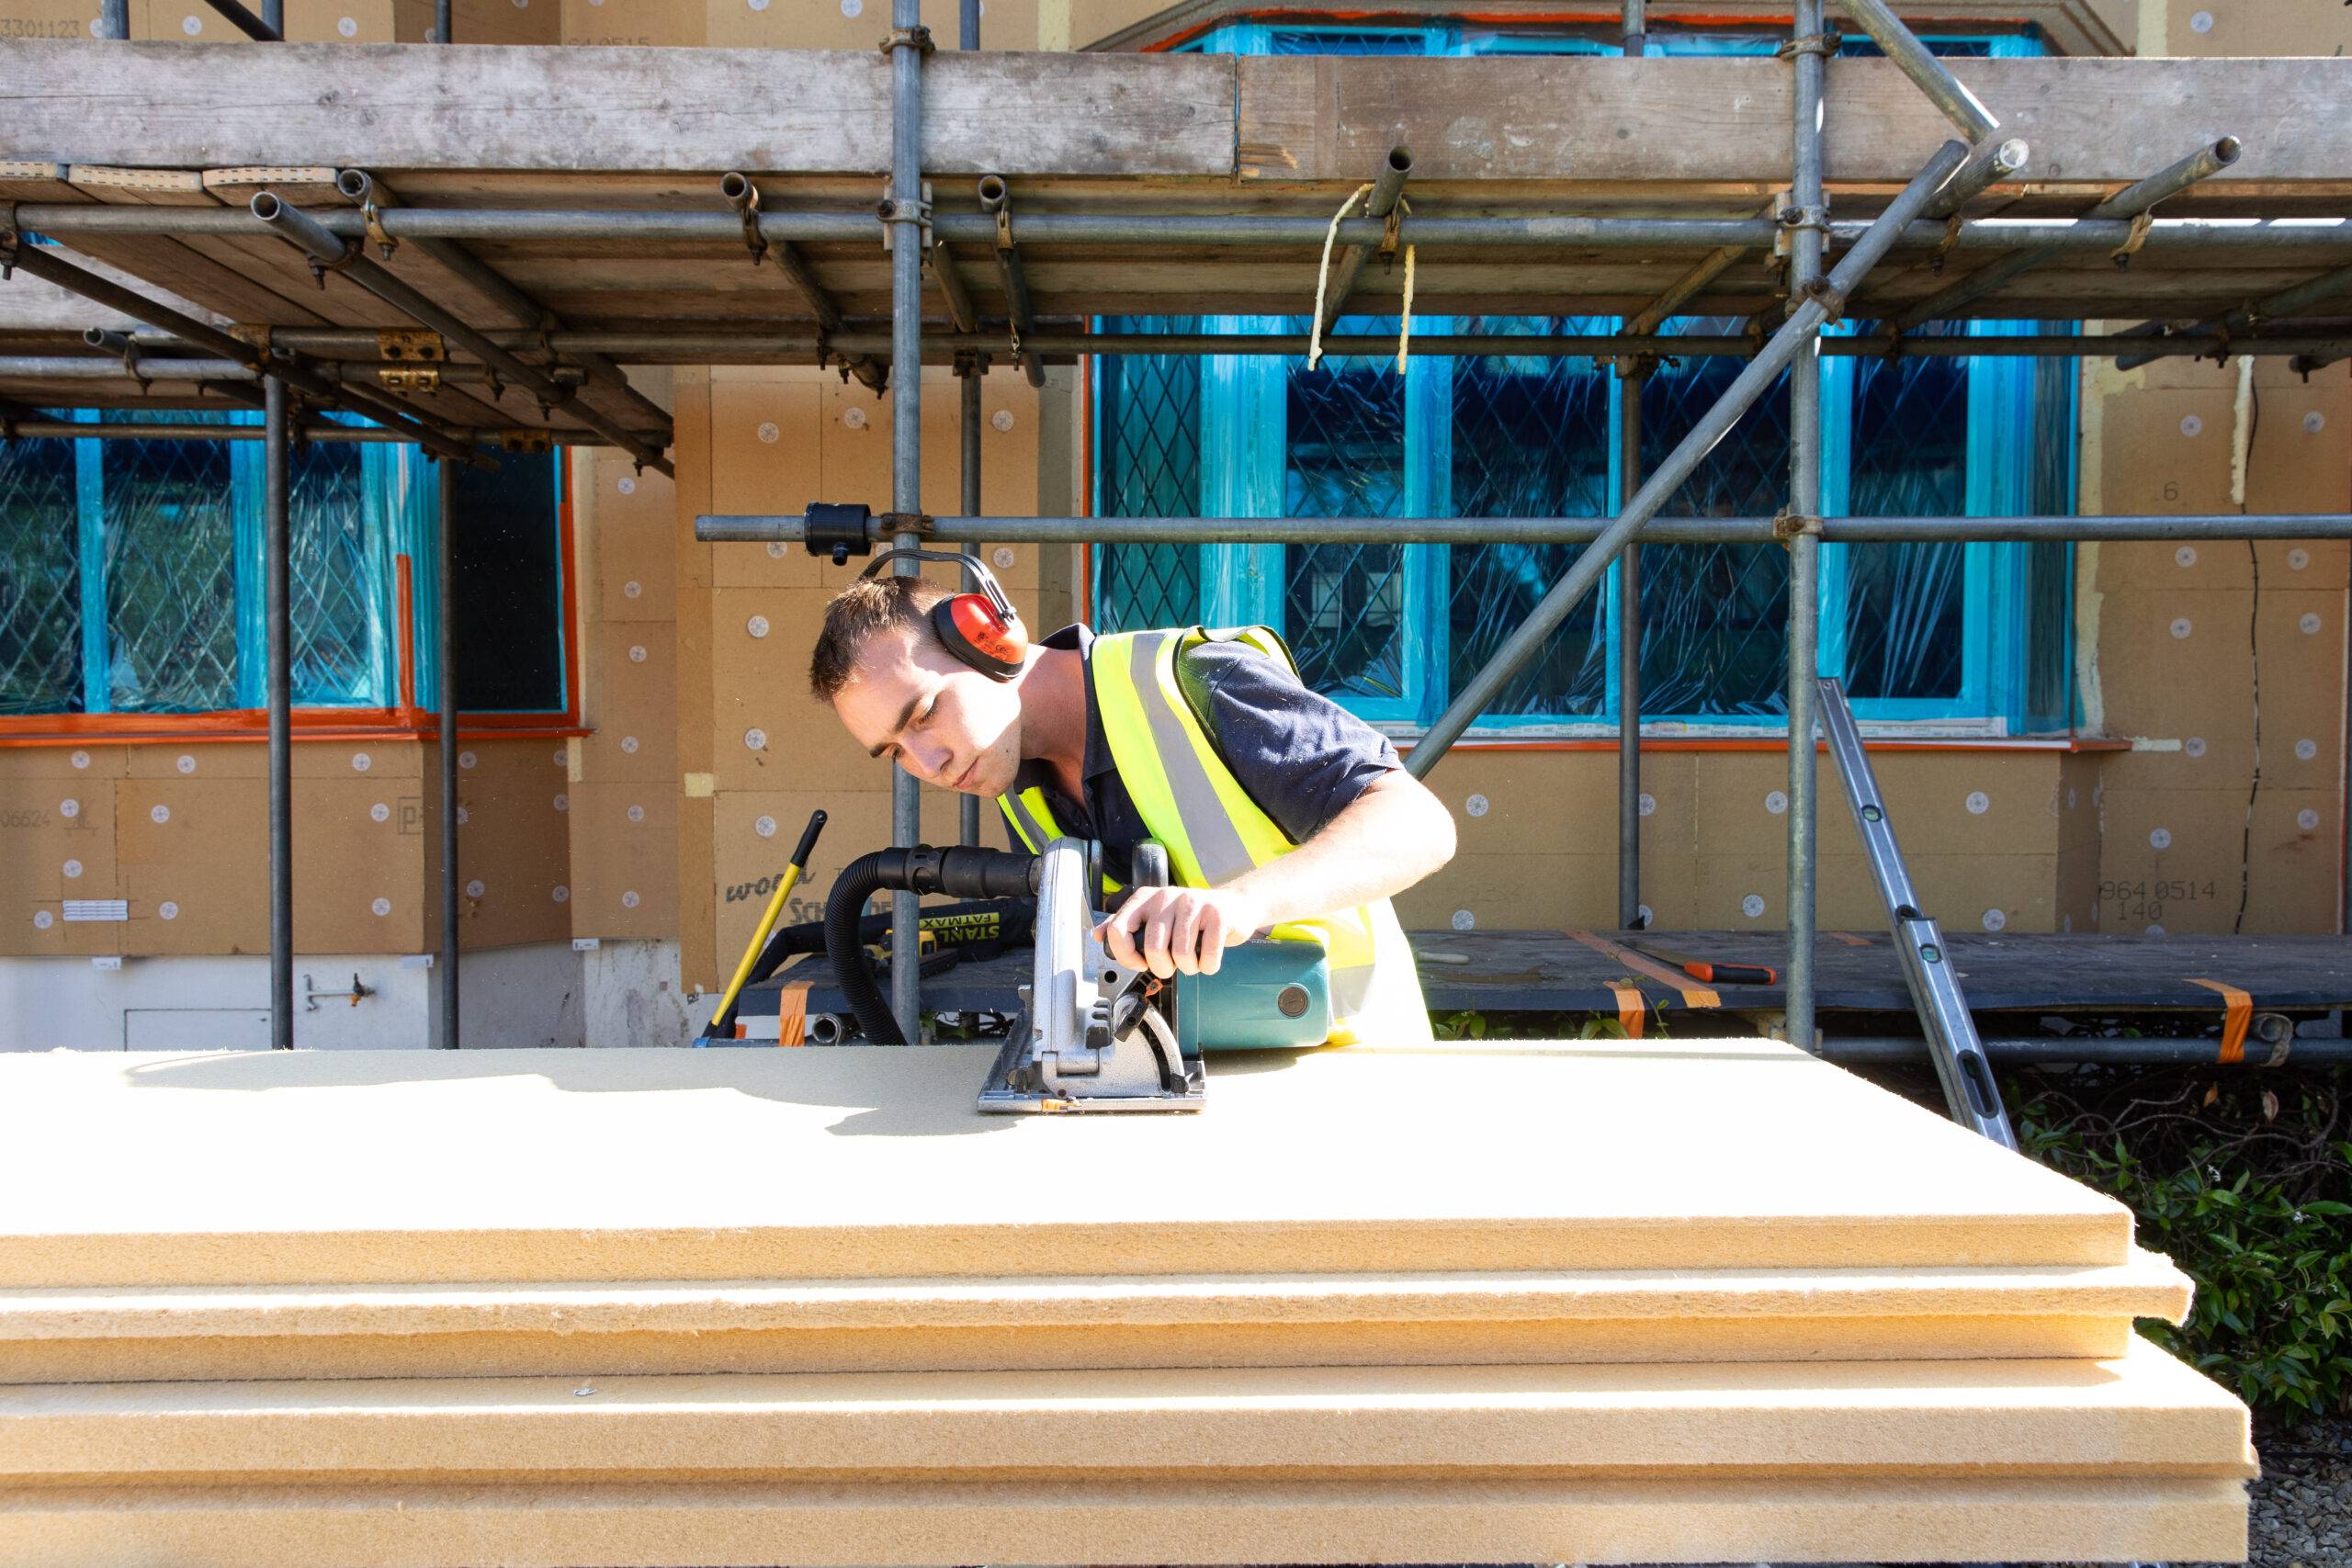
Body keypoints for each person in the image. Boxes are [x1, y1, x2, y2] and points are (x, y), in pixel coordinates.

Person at [806, 557, 1456, 1044]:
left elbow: (1420, 822)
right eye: (895, 751)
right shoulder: (1012, 780)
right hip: (1212, 1089)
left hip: (1358, 1068)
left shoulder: (1195, 680)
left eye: (923, 713)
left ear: (987, 640)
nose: (930, 764)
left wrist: (1239, 903)